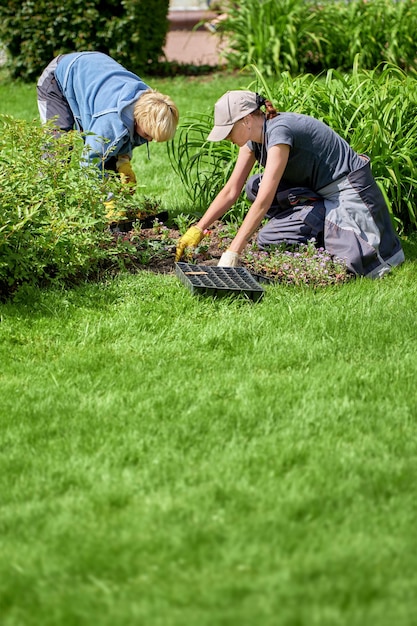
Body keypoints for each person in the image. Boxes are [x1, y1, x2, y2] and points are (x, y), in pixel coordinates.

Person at [175, 90, 404, 278]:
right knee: (254, 185)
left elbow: (265, 200)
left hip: (347, 189)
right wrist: (198, 229)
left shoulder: (279, 132)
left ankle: (319, 220)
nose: (226, 137)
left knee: (363, 260)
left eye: (228, 131)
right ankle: (314, 216)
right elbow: (231, 190)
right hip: (318, 190)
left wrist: (233, 250)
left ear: (245, 120)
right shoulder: (254, 139)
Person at [37, 51, 179, 185]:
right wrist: (109, 200)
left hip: (89, 69)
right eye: (148, 134)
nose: (149, 140)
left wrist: (123, 162)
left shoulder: (147, 101)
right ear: (139, 119)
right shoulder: (110, 120)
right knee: (56, 151)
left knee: (109, 166)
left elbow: (124, 137)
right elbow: (89, 164)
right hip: (57, 79)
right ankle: (43, 204)